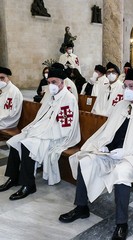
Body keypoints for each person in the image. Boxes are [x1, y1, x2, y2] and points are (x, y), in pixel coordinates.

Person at [59, 69, 133, 240]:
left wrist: (127, 152)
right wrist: (104, 145)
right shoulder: (121, 105)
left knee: (120, 174)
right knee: (85, 161)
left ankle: (122, 223)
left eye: (131, 86)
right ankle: (81, 207)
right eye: (125, 86)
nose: (127, 90)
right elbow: (109, 130)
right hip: (112, 153)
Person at [0, 68, 80, 200]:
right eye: (49, 82)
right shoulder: (50, 94)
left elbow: (65, 127)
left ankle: (29, 184)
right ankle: (13, 178)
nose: (51, 85)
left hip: (56, 136)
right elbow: (41, 117)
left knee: (27, 145)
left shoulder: (68, 98)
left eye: (54, 82)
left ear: (62, 82)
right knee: (15, 141)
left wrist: (41, 132)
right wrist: (34, 129)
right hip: (41, 131)